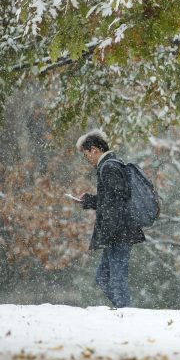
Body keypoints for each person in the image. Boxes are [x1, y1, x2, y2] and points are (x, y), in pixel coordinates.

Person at [75, 130, 144, 308]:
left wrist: (111, 231)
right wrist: (89, 200)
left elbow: (121, 198)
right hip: (117, 232)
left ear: (95, 150)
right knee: (103, 278)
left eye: (86, 154)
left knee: (116, 279)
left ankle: (127, 314)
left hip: (119, 233)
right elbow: (110, 199)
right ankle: (125, 311)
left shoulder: (109, 167)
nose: (87, 158)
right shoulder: (109, 166)